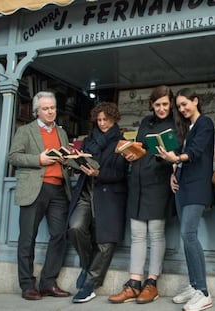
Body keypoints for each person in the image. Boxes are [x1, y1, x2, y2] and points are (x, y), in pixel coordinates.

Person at [108, 85, 178, 304]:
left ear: (171, 103)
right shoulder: (146, 122)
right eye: (157, 104)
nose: (161, 108)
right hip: (137, 181)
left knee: (156, 233)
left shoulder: (177, 123)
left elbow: (178, 155)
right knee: (137, 233)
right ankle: (134, 284)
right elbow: (140, 147)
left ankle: (152, 283)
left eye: (165, 104)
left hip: (159, 182)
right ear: (152, 105)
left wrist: (174, 168)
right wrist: (131, 153)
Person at [8, 91, 72, 300]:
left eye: (52, 107)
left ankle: (48, 283)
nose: (50, 111)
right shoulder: (26, 130)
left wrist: (67, 159)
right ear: (37, 110)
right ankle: (27, 285)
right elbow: (13, 157)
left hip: (58, 190)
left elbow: (63, 157)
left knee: (59, 236)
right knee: (27, 238)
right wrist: (38, 159)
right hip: (35, 189)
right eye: (45, 108)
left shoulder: (61, 133)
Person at [156, 88, 214, 311]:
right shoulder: (187, 127)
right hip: (182, 186)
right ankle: (194, 285)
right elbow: (183, 157)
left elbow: (196, 152)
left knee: (188, 235)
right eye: (179, 106)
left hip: (198, 187)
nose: (182, 109)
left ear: (195, 101)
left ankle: (204, 293)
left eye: (184, 104)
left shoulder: (205, 123)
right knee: (186, 236)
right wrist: (173, 172)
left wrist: (177, 157)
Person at [67, 102, 129, 303]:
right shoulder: (88, 141)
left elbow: (121, 173)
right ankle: (87, 266)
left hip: (109, 194)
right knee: (75, 227)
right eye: (99, 120)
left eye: (106, 120)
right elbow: (80, 163)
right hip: (86, 191)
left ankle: (90, 285)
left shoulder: (121, 142)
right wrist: (73, 161)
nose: (102, 123)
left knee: (105, 241)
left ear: (114, 119)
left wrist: (99, 173)